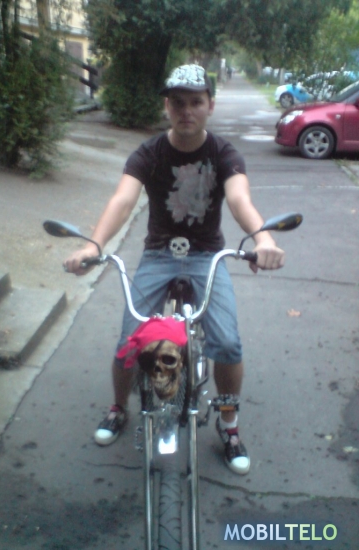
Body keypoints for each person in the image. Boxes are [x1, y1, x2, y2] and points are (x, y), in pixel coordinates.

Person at [64, 64, 285, 475]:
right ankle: (118, 407)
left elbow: (240, 200)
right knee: (129, 340)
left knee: (227, 342)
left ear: (210, 106)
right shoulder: (148, 154)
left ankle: (229, 424)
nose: (187, 110)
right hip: (159, 255)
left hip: (206, 255)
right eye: (178, 102)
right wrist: (94, 245)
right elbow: (123, 201)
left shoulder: (224, 154)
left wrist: (263, 239)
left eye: (196, 102)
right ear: (167, 106)